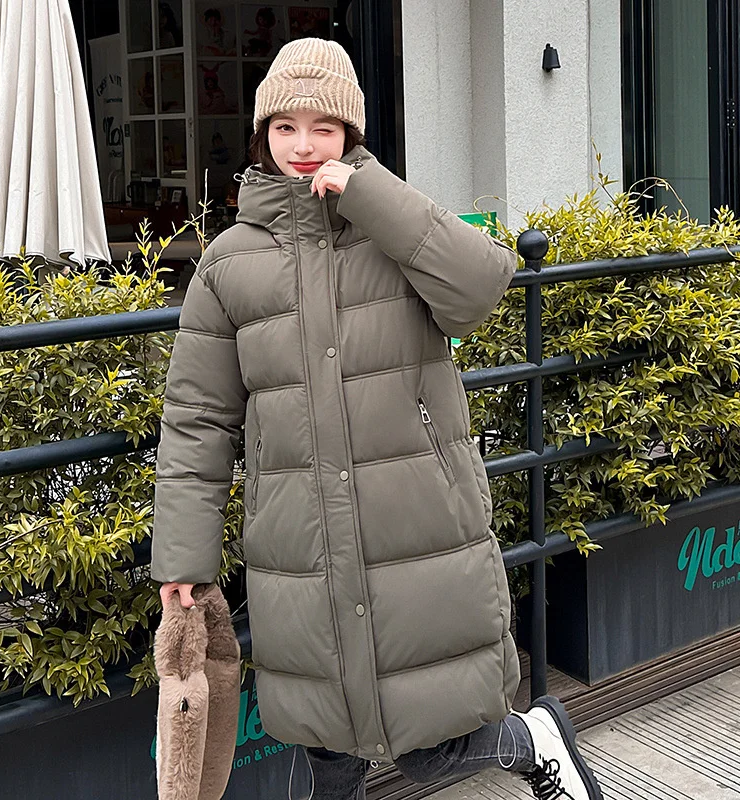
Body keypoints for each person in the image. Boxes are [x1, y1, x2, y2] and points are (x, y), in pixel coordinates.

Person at [150, 38, 603, 800]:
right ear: (262, 136)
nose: (302, 144)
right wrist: (184, 559)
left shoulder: (393, 229)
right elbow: (198, 420)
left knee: (432, 748)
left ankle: (534, 739)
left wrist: (369, 195)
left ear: (351, 134)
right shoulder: (227, 264)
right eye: (285, 127)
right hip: (300, 545)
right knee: (326, 749)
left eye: (323, 127)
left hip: (415, 530)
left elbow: (481, 287)